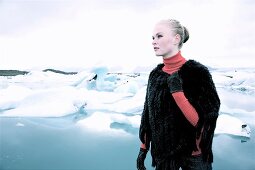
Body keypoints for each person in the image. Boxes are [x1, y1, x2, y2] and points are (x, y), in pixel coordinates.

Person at [136, 19, 220, 170]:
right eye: (153, 38)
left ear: (177, 39)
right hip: (165, 155)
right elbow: (148, 114)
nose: (154, 41)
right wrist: (143, 148)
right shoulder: (155, 75)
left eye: (159, 36)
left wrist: (177, 92)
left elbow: (202, 122)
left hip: (194, 156)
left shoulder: (197, 73)